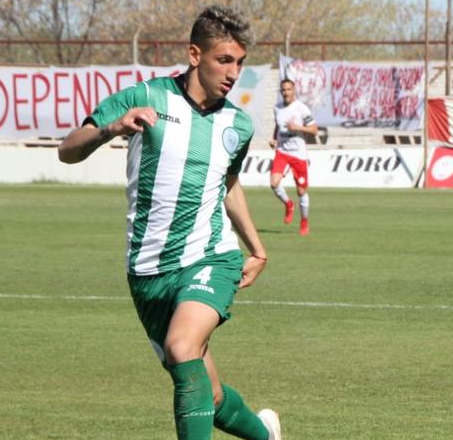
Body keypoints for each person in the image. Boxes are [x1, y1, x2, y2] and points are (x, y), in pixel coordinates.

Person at [58, 6, 281, 440]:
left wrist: (256, 247)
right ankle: (266, 436)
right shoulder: (145, 97)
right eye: (224, 60)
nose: (234, 72)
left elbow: (228, 183)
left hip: (210, 256)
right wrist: (113, 128)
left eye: (240, 62)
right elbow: (68, 150)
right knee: (208, 395)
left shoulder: (237, 123)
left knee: (182, 348)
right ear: (195, 54)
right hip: (147, 272)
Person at [269, 78, 318, 236]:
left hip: (298, 154)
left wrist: (297, 127)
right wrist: (274, 138)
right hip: (282, 152)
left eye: (289, 89)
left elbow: (314, 130)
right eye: (283, 90)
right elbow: (277, 125)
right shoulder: (277, 108)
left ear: (293, 90)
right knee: (274, 183)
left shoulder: (302, 109)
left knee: (301, 191)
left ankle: (304, 221)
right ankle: (289, 204)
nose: (286, 92)